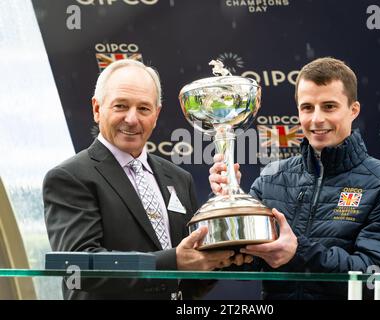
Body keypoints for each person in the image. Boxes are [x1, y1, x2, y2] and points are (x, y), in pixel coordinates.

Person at [209, 57, 380, 299]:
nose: (317, 119)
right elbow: (241, 263)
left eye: (329, 106)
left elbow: (374, 281)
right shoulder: (270, 178)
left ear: (353, 110)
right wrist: (229, 205)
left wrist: (297, 252)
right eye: (307, 107)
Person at [43, 59, 246, 300]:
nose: (131, 119)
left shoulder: (180, 179)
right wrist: (172, 262)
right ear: (97, 109)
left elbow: (191, 280)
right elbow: (79, 268)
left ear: (156, 114)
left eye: (143, 108)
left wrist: (219, 255)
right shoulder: (70, 178)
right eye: (120, 106)